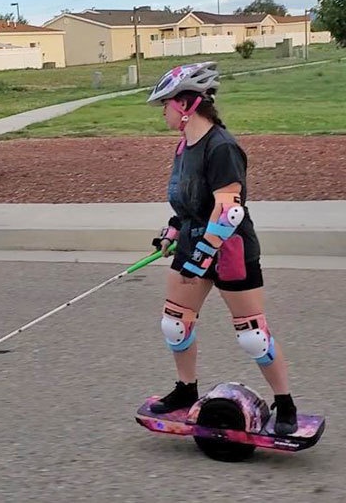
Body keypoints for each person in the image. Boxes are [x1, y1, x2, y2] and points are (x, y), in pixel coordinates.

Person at [146, 61, 298, 435]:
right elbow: (190, 202)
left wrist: (202, 254)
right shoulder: (184, 147)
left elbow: (229, 210)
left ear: (185, 104)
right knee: (174, 325)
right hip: (194, 243)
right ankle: (186, 390)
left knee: (253, 336)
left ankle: (285, 403)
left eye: (165, 103)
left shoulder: (222, 147)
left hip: (229, 250)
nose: (162, 111)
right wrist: (173, 229)